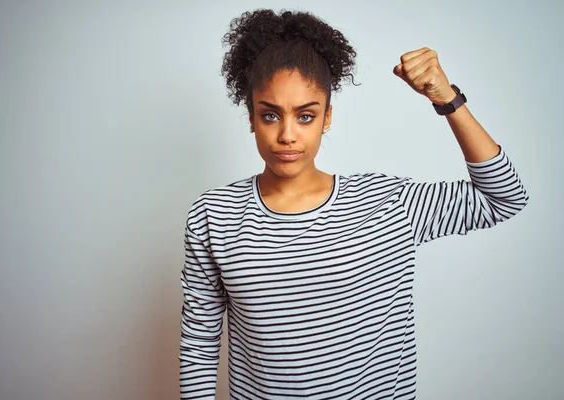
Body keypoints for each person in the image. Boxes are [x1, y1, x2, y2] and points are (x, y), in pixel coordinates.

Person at [178, 9, 528, 400]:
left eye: (306, 115)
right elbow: (199, 343)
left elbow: (504, 196)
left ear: (327, 117)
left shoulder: (388, 205)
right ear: (251, 117)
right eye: (271, 115)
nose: (287, 135)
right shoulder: (214, 215)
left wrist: (447, 99)